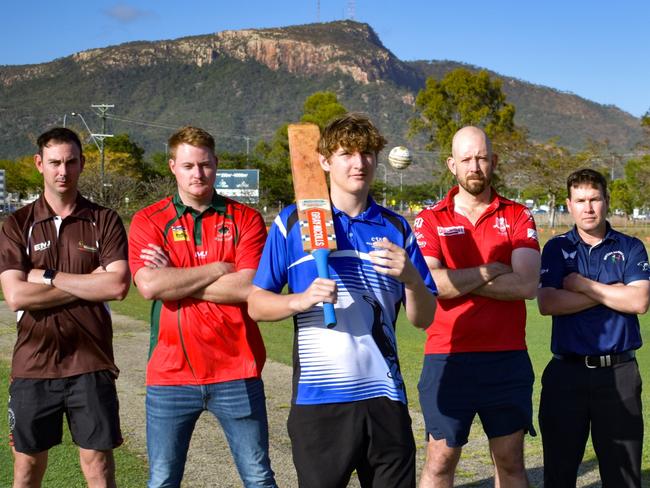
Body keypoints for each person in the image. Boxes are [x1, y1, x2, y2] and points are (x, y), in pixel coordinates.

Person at [248, 113, 437, 488]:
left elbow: (424, 319)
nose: (359, 162)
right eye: (347, 153)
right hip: (320, 401)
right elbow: (256, 304)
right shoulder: (291, 223)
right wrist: (299, 301)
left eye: (367, 153)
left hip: (386, 397)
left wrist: (412, 279)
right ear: (324, 161)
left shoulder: (397, 227)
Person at [127, 126, 276, 488]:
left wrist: (174, 281)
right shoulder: (149, 220)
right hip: (170, 373)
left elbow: (247, 287)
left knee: (259, 478)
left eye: (206, 165)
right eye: (189, 165)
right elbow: (149, 285)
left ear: (217, 165)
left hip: (237, 369)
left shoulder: (246, 218)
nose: (198, 173)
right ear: (172, 166)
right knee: (162, 480)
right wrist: (216, 269)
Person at [0, 127, 131, 488]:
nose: (63, 171)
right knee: (26, 470)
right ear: (39, 164)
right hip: (33, 364)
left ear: (82, 164)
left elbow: (118, 285)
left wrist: (48, 276)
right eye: (55, 162)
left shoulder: (103, 220)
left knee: (99, 469)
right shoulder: (16, 224)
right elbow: (16, 296)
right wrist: (89, 282)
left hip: (91, 362)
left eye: (71, 162)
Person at [413, 126, 541, 488]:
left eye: (482, 157)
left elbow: (527, 285)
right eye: (466, 159)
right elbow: (432, 283)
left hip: (506, 358)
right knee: (440, 462)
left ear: (494, 161)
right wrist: (492, 270)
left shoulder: (518, 216)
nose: (475, 166)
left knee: (510, 462)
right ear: (452, 164)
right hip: (447, 357)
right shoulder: (430, 219)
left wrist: (460, 281)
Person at [537, 168, 649, 487]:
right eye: (581, 200)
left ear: (606, 201)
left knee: (623, 477)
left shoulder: (631, 247)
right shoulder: (556, 248)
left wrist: (582, 285)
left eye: (595, 199)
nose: (588, 207)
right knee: (559, 473)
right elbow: (548, 303)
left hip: (619, 374)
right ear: (569, 205)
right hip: (566, 374)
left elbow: (639, 301)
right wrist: (611, 290)